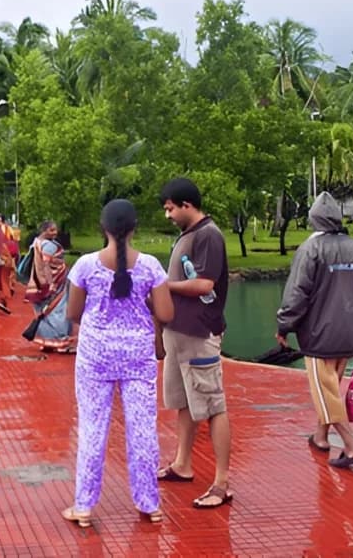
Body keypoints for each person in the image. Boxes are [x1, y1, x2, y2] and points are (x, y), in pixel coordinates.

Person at [61, 199, 174, 528]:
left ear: (104, 228)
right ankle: (150, 504)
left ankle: (83, 506)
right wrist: (148, 299)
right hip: (138, 356)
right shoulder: (151, 266)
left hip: (96, 356)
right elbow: (166, 314)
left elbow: (72, 313)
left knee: (93, 429)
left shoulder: (85, 265)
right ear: (134, 228)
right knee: (142, 430)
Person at [276, 191, 353, 468]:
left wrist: (284, 325)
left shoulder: (311, 249)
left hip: (320, 335)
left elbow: (297, 292)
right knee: (331, 388)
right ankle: (320, 437)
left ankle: (351, 444)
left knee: (325, 392)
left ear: (314, 220)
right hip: (350, 333)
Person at [157, 177, 233, 509]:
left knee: (213, 406)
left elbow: (204, 284)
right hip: (178, 332)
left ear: (187, 204)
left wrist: (164, 285)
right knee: (184, 402)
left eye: (171, 208)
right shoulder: (188, 236)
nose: (168, 215)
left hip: (199, 334)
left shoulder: (208, 236)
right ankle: (182, 464)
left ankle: (221, 482)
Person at [27, 221, 73, 351]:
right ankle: (60, 341)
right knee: (58, 311)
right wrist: (51, 282)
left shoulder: (36, 242)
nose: (55, 232)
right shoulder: (48, 246)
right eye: (52, 230)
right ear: (44, 230)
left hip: (37, 283)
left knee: (43, 312)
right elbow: (47, 265)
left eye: (55, 230)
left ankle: (46, 341)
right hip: (54, 283)